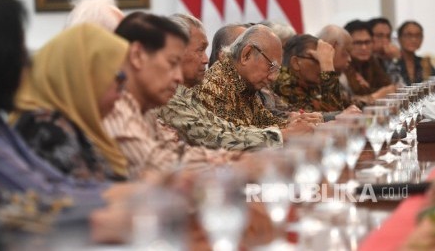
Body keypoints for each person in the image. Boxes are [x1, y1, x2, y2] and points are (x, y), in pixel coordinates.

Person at [103, 12, 245, 180]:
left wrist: (232, 160)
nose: (178, 77)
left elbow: (175, 150)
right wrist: (232, 164)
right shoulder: (116, 107)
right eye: (172, 63)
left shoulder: (144, 108)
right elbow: (158, 164)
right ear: (137, 56)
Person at [12, 23, 129, 180]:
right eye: (118, 79)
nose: (120, 95)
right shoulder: (45, 129)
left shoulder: (74, 123)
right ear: (85, 77)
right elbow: (86, 198)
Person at [159, 15, 294, 150]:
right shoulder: (209, 86)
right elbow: (212, 137)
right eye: (200, 50)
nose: (206, 60)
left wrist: (290, 124)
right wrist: (282, 135)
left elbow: (222, 127)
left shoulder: (183, 92)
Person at [193, 24, 319, 129]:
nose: (273, 77)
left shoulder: (245, 84)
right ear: (246, 55)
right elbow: (233, 138)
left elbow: (265, 121)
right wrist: (284, 133)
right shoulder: (214, 85)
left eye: (276, 70)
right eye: (271, 66)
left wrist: (292, 124)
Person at [271, 34, 342, 112]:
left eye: (323, 59)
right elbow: (333, 116)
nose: (322, 66)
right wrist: (327, 65)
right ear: (296, 63)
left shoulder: (311, 84)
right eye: (317, 59)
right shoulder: (283, 83)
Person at [317, 24, 372, 108]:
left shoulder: (338, 73)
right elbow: (335, 108)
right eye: (346, 52)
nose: (349, 59)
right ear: (331, 47)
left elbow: (346, 101)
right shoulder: (315, 74)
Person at [343, 19, 395, 101]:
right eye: (358, 43)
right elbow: (341, 104)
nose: (364, 47)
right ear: (346, 44)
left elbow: (391, 88)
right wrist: (374, 96)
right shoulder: (340, 67)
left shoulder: (374, 62)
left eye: (367, 42)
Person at [368, 17, 405, 86]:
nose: (385, 41)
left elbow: (401, 86)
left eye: (388, 36)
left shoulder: (386, 57)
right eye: (379, 36)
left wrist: (395, 60)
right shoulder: (365, 60)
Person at [397, 20, 435, 85]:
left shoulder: (424, 62)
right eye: (409, 35)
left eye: (418, 35)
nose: (413, 39)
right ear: (399, 38)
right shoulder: (393, 63)